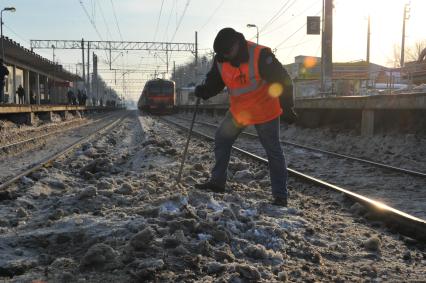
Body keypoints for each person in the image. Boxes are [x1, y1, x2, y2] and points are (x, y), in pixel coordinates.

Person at [194, 27, 297, 206]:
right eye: (222, 54)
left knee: (273, 151)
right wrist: (204, 91)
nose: (226, 56)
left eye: (228, 52)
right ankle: (217, 183)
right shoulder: (221, 59)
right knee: (221, 139)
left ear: (237, 43)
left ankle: (280, 196)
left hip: (265, 111)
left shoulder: (260, 55)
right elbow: (215, 83)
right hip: (239, 112)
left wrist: (287, 106)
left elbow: (283, 79)